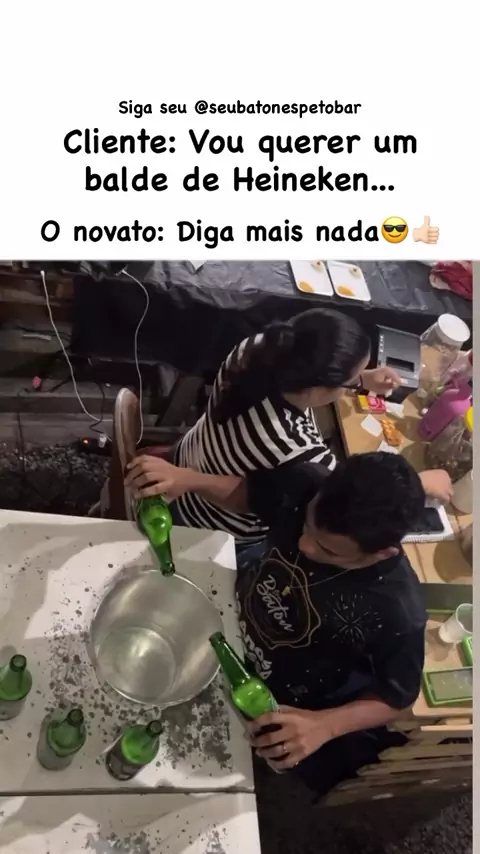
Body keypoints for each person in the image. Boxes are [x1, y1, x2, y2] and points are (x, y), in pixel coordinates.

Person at [132, 450, 428, 795]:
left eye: (329, 552)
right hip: (231, 605)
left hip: (269, 692)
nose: (305, 546)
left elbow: (397, 695)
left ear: (382, 553)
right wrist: (188, 479)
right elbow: (251, 494)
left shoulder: (396, 608)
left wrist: (325, 726)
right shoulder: (308, 482)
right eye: (307, 525)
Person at [125, 309, 452, 545]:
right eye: (350, 381)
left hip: (188, 456)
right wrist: (418, 483)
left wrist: (361, 379)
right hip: (207, 522)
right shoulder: (297, 449)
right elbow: (251, 497)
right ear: (318, 387)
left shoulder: (256, 350)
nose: (355, 384)